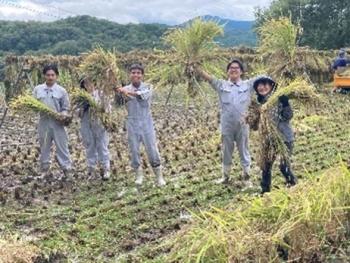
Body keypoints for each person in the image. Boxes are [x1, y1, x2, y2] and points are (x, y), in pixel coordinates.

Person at [194, 59, 257, 186]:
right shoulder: (221, 85)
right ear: (227, 71)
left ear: (241, 72)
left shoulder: (248, 85)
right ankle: (225, 176)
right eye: (231, 68)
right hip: (227, 125)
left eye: (237, 68)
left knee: (244, 150)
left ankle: (247, 177)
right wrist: (195, 67)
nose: (234, 69)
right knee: (226, 150)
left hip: (242, 125)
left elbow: (264, 79)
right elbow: (208, 77)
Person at [117, 64, 166, 187]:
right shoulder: (124, 89)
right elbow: (118, 103)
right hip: (131, 122)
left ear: (142, 75)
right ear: (130, 75)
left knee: (151, 148)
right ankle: (138, 175)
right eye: (133, 72)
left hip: (146, 122)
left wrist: (126, 92)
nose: (136, 75)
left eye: (138, 73)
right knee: (134, 149)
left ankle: (159, 177)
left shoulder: (148, 87)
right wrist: (117, 92)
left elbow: (141, 95)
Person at [251, 76, 297, 194]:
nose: (262, 87)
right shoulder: (257, 105)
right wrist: (250, 120)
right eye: (259, 85)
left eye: (265, 84)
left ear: (271, 86)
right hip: (268, 140)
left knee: (283, 166)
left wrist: (285, 103)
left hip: (284, 138)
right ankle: (265, 191)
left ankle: (293, 186)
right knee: (265, 166)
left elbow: (288, 116)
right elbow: (255, 127)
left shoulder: (279, 99)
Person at [32, 64, 72, 179]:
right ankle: (44, 170)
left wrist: (62, 115)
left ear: (56, 76)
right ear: (44, 76)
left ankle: (67, 170)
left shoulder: (62, 91)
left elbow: (66, 107)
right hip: (44, 122)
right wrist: (36, 108)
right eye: (48, 75)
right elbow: (33, 105)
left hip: (58, 123)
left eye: (53, 75)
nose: (50, 77)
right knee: (44, 146)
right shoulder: (37, 89)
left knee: (62, 146)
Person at [78, 77, 111, 180]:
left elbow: (108, 109)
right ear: (83, 86)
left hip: (99, 123)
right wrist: (83, 108)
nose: (89, 85)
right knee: (89, 145)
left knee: (102, 145)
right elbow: (76, 113)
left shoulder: (101, 94)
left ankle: (105, 168)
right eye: (86, 84)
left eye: (90, 82)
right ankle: (92, 170)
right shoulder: (80, 97)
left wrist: (98, 107)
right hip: (86, 124)